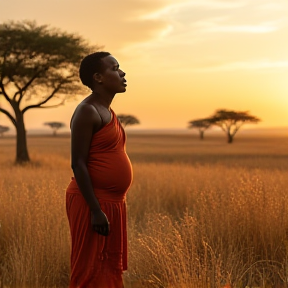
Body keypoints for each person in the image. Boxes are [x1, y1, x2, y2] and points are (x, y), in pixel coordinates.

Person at [65, 51, 133, 288]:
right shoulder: (88, 111)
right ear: (98, 78)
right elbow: (78, 163)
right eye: (114, 68)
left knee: (108, 269)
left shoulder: (107, 111)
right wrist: (95, 210)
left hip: (112, 203)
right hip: (91, 202)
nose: (122, 73)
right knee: (89, 271)